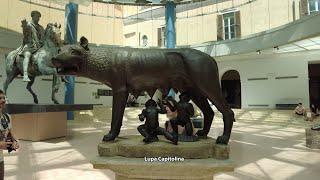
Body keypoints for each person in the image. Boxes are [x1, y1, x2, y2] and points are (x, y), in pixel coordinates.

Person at [0, 90, 19, 180]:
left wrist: (14, 142)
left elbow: (10, 134)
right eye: (0, 98)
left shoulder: (7, 117)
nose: (3, 100)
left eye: (4, 98)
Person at [21, 10, 45, 82]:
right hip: (30, 46)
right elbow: (25, 33)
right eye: (37, 16)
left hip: (39, 47)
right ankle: (25, 74)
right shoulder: (28, 25)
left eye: (39, 17)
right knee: (27, 55)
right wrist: (24, 25)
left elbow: (43, 37)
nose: (38, 18)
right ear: (32, 16)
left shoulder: (41, 27)